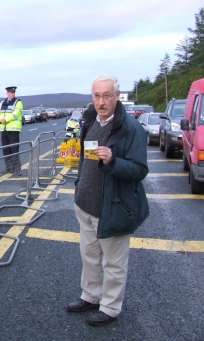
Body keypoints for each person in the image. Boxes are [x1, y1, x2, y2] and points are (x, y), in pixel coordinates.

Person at [66, 76, 149, 326]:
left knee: (113, 263)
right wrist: (79, 184)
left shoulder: (131, 129)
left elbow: (139, 170)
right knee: (89, 255)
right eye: (97, 96)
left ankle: (110, 307)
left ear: (116, 96)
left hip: (113, 206)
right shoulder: (90, 120)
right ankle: (91, 296)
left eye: (106, 96)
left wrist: (113, 161)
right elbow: (85, 158)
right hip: (86, 203)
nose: (101, 102)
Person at [0, 86, 24, 175]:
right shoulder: (2, 102)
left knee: (14, 149)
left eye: (12, 93)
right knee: (6, 150)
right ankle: (9, 168)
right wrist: (0, 120)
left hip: (13, 130)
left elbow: (16, 114)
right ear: (6, 93)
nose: (10, 94)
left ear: (14, 93)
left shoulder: (18, 102)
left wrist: (5, 119)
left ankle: (17, 169)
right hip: (4, 129)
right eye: (8, 92)